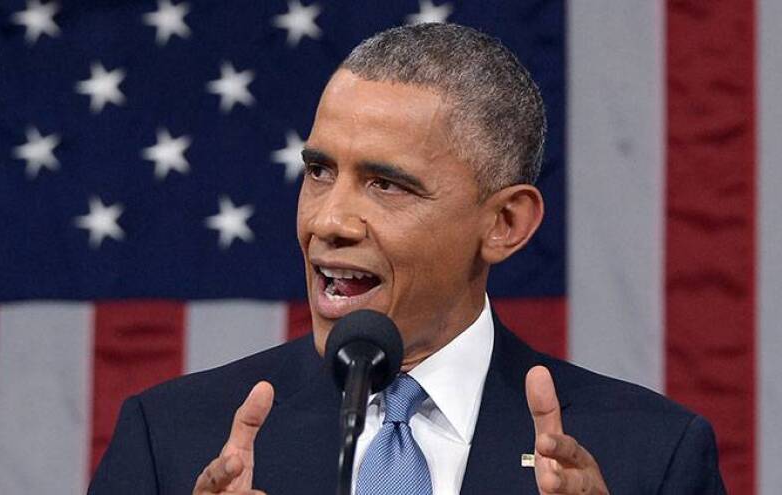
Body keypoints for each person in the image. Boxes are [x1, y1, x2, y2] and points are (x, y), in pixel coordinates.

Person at [89, 23, 725, 494]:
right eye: (319, 171)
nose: (327, 222)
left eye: (385, 184)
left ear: (504, 223)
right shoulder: (170, 440)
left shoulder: (651, 456)